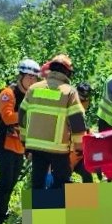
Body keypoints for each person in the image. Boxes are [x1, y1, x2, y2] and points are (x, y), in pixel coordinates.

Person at [20, 54, 88, 191]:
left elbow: (22, 114)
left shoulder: (33, 89)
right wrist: (79, 147)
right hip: (59, 149)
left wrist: (24, 141)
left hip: (36, 147)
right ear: (67, 73)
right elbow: (77, 121)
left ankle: (38, 206)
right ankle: (56, 205)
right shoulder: (69, 92)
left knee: (37, 185)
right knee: (60, 186)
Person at [0, 59, 40, 224]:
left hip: (20, 147)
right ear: (21, 76)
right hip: (5, 146)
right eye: (29, 77)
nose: (32, 81)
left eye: (35, 78)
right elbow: (8, 117)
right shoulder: (8, 93)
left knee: (11, 184)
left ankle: (2, 214)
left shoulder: (31, 96)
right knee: (5, 184)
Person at [69, 82, 95, 183]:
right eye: (82, 100)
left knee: (87, 177)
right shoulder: (72, 110)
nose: (84, 103)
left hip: (78, 156)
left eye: (85, 100)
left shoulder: (80, 112)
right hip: (68, 155)